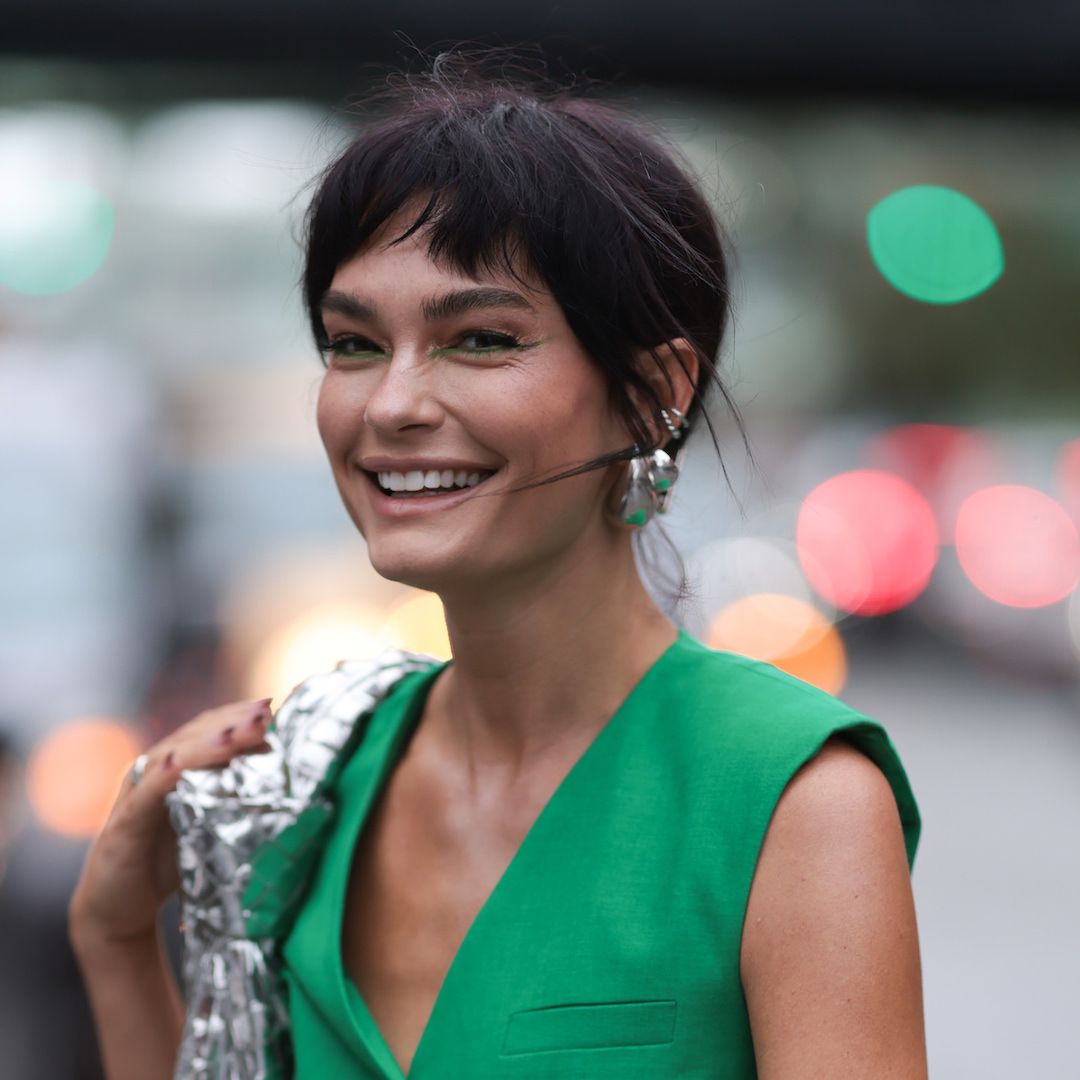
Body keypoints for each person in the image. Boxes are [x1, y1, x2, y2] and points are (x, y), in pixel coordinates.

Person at [69, 47, 926, 1080]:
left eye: (478, 339)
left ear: (655, 388)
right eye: (352, 344)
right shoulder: (307, 780)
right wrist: (117, 940)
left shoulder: (791, 798)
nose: (392, 404)